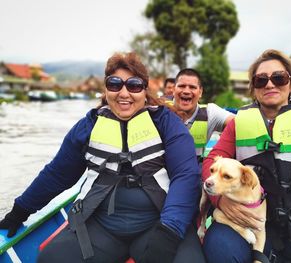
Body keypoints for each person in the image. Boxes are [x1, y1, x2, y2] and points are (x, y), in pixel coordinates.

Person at [0, 52, 206, 263]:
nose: (124, 93)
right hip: (100, 226)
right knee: (51, 259)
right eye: (115, 84)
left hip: (157, 223)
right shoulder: (88, 126)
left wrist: (169, 231)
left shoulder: (166, 123)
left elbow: (186, 176)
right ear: (106, 89)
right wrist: (19, 211)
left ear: (145, 90)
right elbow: (57, 175)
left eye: (133, 85)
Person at [202, 49, 291, 263]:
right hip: (252, 223)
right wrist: (220, 201)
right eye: (261, 80)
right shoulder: (238, 123)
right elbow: (210, 162)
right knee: (220, 249)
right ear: (254, 88)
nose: (270, 84)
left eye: (278, 78)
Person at [173, 68, 235, 160]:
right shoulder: (160, 111)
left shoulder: (210, 112)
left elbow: (239, 124)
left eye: (192, 87)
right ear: (174, 89)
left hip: (194, 172)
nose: (186, 91)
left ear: (200, 92)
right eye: (181, 86)